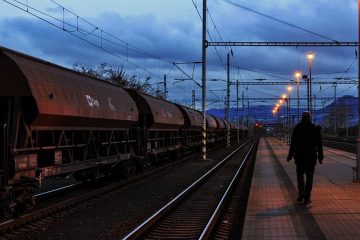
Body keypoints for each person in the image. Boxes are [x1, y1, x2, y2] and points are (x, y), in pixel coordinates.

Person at [287, 111, 324, 205]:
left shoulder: (298, 128)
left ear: (302, 118)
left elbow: (293, 143)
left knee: (300, 177)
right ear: (310, 118)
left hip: (300, 157)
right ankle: (307, 197)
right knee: (309, 178)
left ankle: (301, 193)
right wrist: (320, 157)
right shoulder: (314, 128)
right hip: (311, 157)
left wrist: (290, 155)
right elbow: (319, 145)